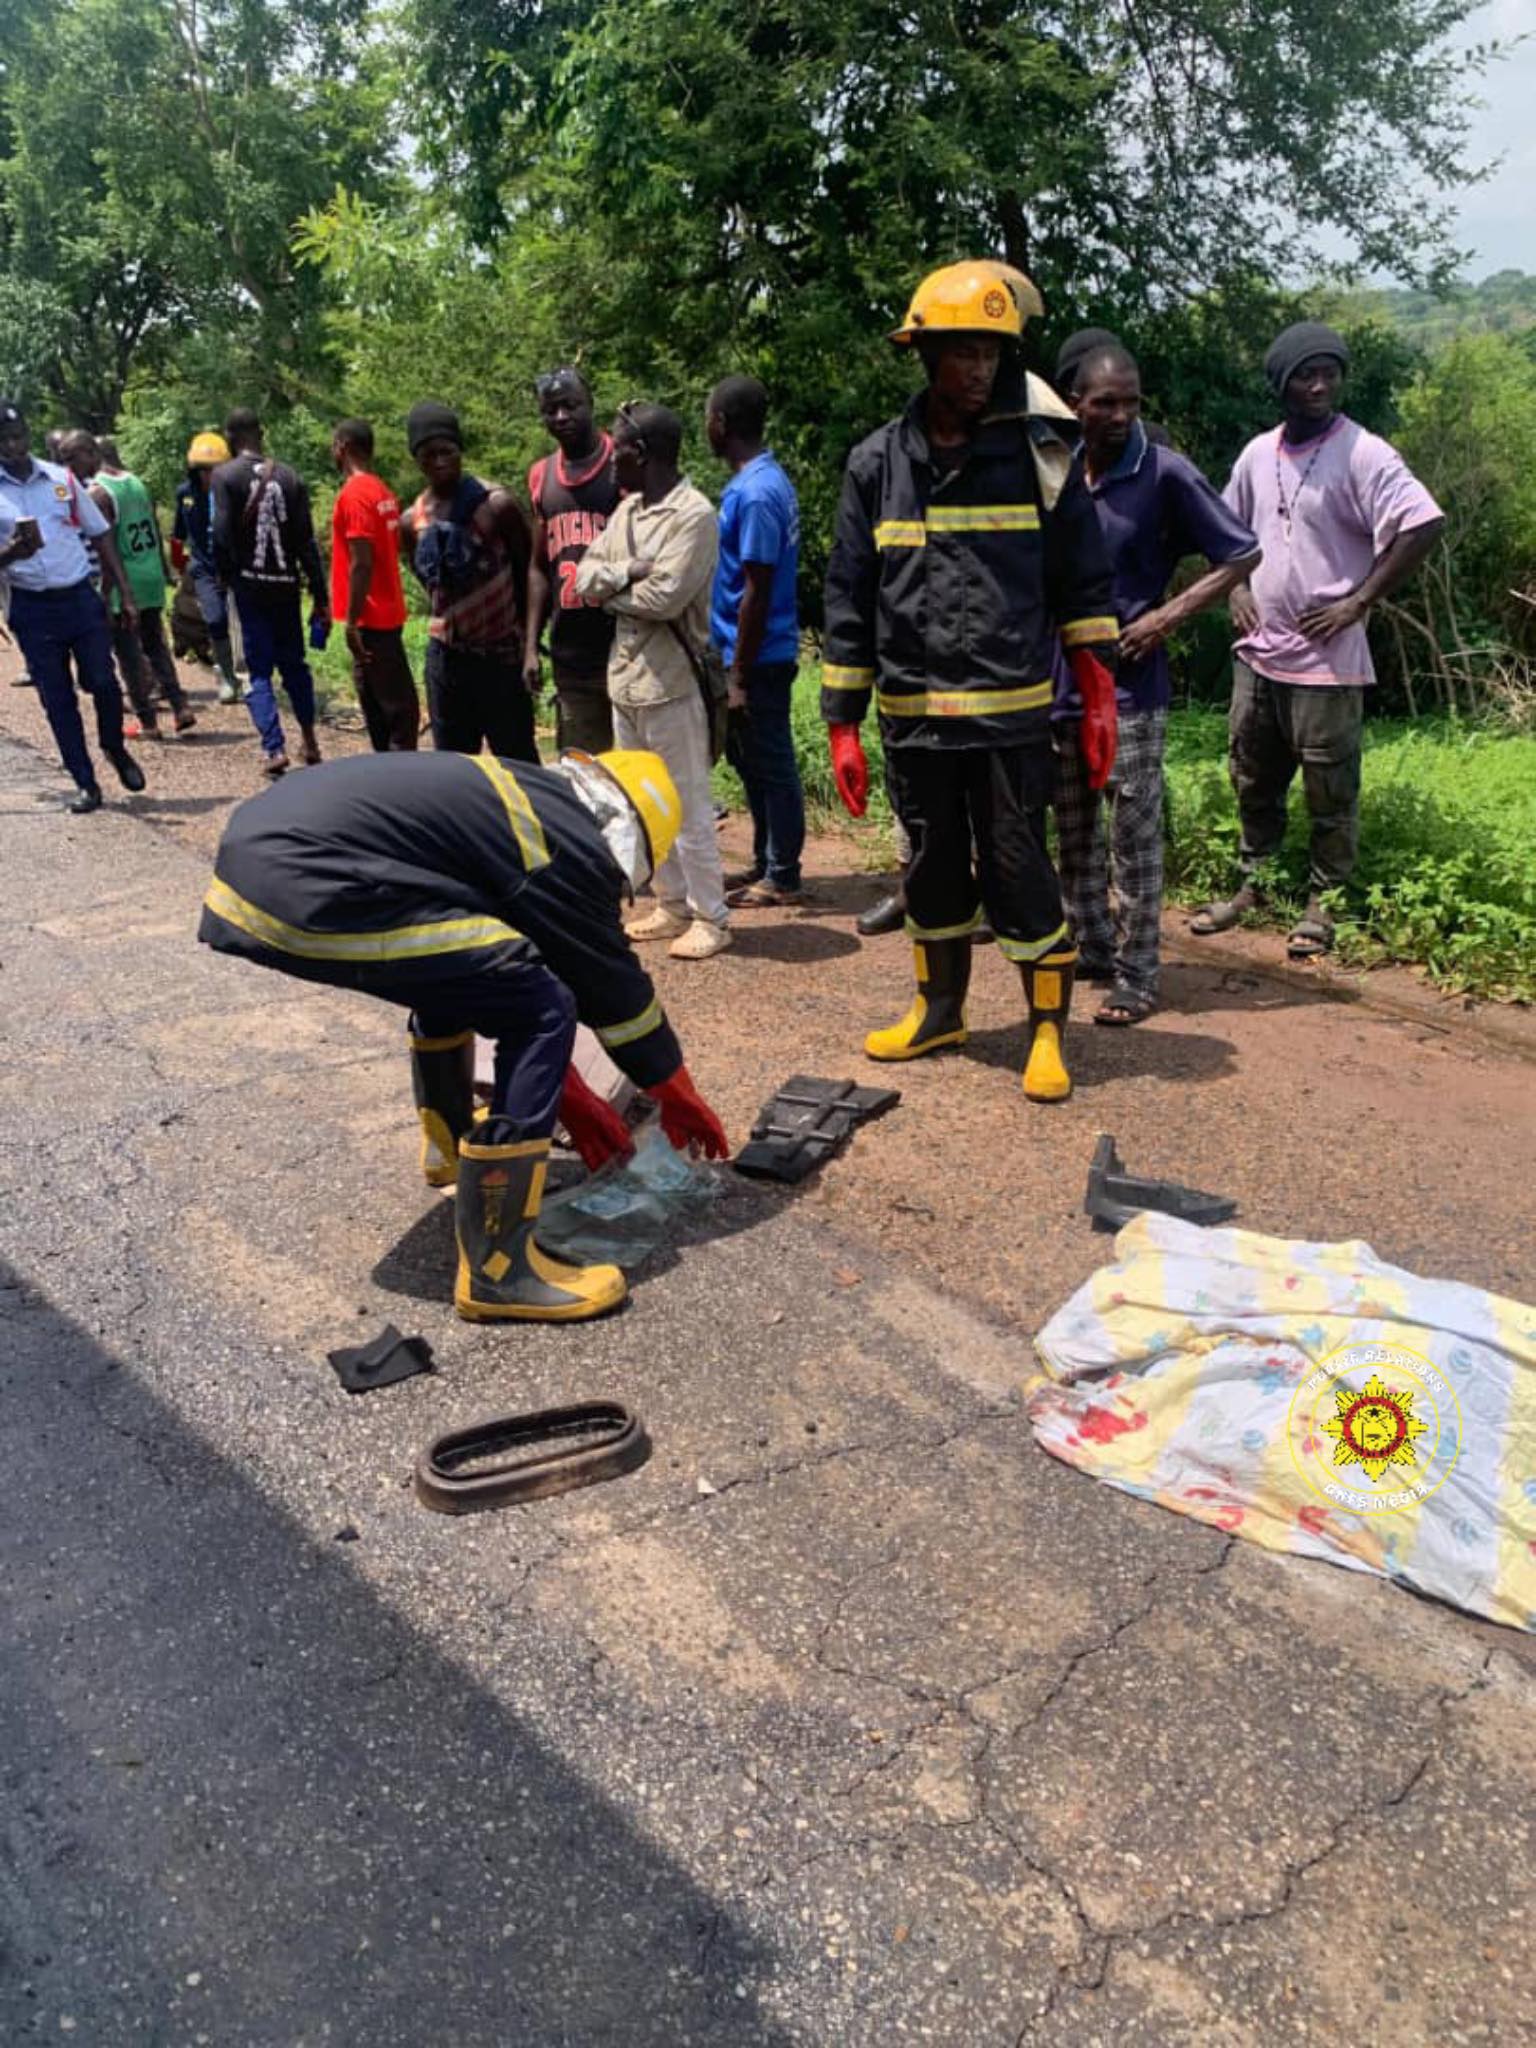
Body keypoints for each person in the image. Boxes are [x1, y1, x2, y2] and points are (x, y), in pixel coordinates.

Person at [198, 746, 729, 1322]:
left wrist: (568, 1097)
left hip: (262, 866)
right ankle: (499, 1271)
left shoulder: (521, 802)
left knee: (458, 972)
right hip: (306, 884)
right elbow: (613, 994)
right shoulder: (564, 842)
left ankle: (450, 1149)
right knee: (542, 1006)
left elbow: (490, 980)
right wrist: (679, 1096)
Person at [821, 260, 1119, 1104]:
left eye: (993, 352)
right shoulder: (877, 463)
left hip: (1008, 718)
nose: (980, 368)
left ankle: (1048, 1031)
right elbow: (848, 592)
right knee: (934, 869)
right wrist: (843, 720)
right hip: (914, 719)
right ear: (925, 355)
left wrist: (1097, 693)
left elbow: (1081, 580)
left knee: (1022, 872)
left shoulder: (1039, 455)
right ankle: (939, 1010)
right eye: (962, 351)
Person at [1194, 321, 1445, 958]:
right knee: (1252, 776)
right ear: (1282, 384)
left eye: (1330, 372)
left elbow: (1421, 522)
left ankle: (1323, 904)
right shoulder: (1257, 454)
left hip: (1327, 664)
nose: (1320, 384)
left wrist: (1359, 600)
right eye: (1307, 374)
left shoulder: (1364, 453)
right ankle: (1256, 884)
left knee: (1329, 790)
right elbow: (1225, 530)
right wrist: (1235, 591)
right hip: (1260, 655)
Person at [1053, 344, 1259, 1024]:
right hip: (1059, 683)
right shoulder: (1053, 467)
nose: (1119, 414)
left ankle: (1139, 974)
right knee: (1074, 830)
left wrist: (1164, 618)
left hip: (1131, 690)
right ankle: (1092, 944)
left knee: (1133, 839)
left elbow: (1242, 550)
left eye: (1131, 401)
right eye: (1104, 402)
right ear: (1073, 402)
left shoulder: (1162, 472)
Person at [574, 402, 731, 961]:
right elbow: (582, 576)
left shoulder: (694, 515)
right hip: (627, 680)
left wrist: (610, 588)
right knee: (643, 802)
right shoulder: (629, 512)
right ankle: (672, 905)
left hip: (673, 682)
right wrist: (624, 573)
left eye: (618, 454)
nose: (611, 464)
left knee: (688, 804)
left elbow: (665, 598)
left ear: (644, 455)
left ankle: (712, 916)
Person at [0, 399, 146, 813]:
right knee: (57, 697)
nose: (14, 446)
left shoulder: (60, 479)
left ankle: (114, 747)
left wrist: (125, 595)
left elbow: (101, 535)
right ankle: (85, 781)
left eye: (18, 436)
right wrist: (12, 552)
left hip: (79, 597)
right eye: (4, 440)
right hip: (31, 606)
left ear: (28, 435)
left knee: (103, 681)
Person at [705, 375, 806, 909]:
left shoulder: (759, 492)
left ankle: (784, 873)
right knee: (750, 762)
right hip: (740, 651)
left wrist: (738, 674)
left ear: (721, 422)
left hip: (760, 656)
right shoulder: (752, 483)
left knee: (772, 761)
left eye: (709, 417)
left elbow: (757, 590)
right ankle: (767, 858)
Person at [400, 400, 535, 762]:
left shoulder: (497, 506)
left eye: (447, 451)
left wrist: (529, 644)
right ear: (417, 460)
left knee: (519, 763)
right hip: (447, 660)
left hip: (502, 656)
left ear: (460, 451)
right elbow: (427, 583)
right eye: (429, 454)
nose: (440, 461)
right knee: (455, 767)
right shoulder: (411, 522)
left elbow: (530, 573)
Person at [212, 408, 329, 776]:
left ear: (230, 436)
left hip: (249, 587)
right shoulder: (291, 477)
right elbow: (305, 542)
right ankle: (309, 739)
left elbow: (220, 532)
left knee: (257, 669)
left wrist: (225, 575)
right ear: (261, 433)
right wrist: (320, 593)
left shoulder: (224, 476)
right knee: (294, 664)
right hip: (286, 586)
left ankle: (274, 748)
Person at [61, 430, 198, 740]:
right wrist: (164, 572)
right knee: (155, 644)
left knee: (127, 653)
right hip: (149, 573)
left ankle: (147, 721)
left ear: (90, 452)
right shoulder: (134, 481)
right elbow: (151, 525)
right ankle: (179, 706)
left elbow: (107, 548)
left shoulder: (99, 492)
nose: (68, 467)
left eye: (72, 458)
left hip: (126, 582)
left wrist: (108, 591)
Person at [525, 369, 620, 753]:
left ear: (590, 404)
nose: (561, 417)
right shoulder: (541, 476)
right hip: (571, 655)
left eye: (571, 405)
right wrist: (531, 644)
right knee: (584, 774)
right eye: (551, 410)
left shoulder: (622, 463)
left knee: (634, 773)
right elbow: (537, 567)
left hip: (624, 651)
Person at [329, 418, 418, 752]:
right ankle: (386, 774)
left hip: (372, 619)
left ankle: (403, 783)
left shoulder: (354, 494)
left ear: (343, 447)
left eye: (334, 446)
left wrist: (351, 621)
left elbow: (362, 562)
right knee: (378, 708)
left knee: (398, 714)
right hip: (385, 613)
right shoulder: (382, 490)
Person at [172, 431, 241, 702]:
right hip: (203, 565)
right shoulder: (185, 494)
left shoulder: (233, 492)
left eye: (215, 470)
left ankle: (253, 673)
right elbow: (178, 534)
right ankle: (226, 675)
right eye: (203, 470)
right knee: (214, 619)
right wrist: (178, 565)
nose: (209, 475)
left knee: (246, 619)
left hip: (234, 564)